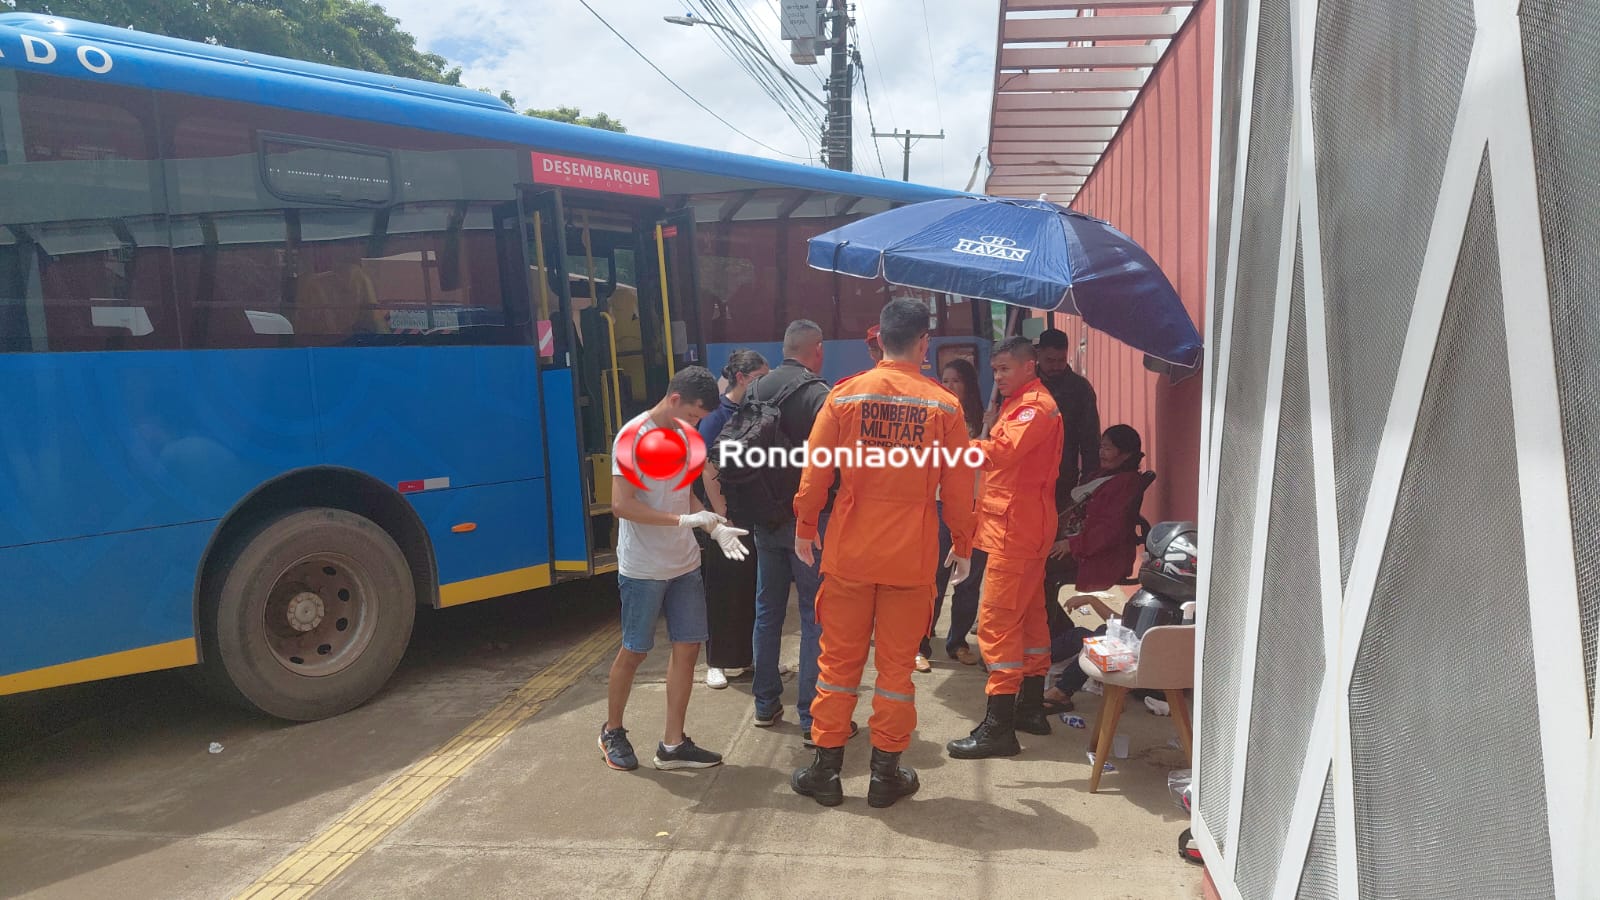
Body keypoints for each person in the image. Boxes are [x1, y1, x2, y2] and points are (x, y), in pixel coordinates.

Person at [790, 298, 976, 808]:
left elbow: (816, 470)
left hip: (849, 552)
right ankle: (884, 775)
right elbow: (959, 488)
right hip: (910, 559)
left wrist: (805, 525)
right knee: (896, 673)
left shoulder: (846, 395)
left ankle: (825, 772)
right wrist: (962, 543)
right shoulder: (944, 406)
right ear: (924, 342)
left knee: (837, 666)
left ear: (880, 341)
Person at [599, 366, 751, 772]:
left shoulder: (686, 437)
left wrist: (713, 526)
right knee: (635, 649)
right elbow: (622, 505)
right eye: (693, 415)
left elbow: (685, 495)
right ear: (675, 399)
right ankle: (612, 730)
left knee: (688, 648)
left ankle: (673, 743)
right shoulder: (632, 437)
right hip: (644, 566)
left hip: (684, 563)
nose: (695, 424)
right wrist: (683, 521)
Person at [947, 337, 1064, 759]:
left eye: (1005, 368)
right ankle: (1029, 708)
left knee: (996, 625)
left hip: (1015, 530)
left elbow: (1000, 453)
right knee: (1030, 620)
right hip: (1020, 527)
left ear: (1029, 366)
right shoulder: (1022, 404)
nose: (997, 376)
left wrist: (955, 446)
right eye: (995, 369)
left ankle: (998, 728)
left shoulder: (1034, 407)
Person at [745, 320, 836, 741]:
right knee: (813, 616)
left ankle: (765, 705)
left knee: (768, 612)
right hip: (808, 524)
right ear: (816, 349)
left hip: (764, 517)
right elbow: (831, 462)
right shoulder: (819, 394)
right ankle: (810, 715)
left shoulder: (754, 390)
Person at [1042, 425, 1147, 711]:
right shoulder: (1103, 475)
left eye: (1108, 448)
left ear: (1125, 453)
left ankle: (1052, 651)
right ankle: (1054, 646)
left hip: (1098, 554)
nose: (1102, 452)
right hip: (1081, 545)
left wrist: (1071, 545)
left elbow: (1108, 530)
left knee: (1043, 576)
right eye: (1101, 446)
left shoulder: (1125, 483)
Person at [697, 349, 769, 689]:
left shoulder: (755, 412)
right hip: (724, 516)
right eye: (759, 378)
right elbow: (706, 465)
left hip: (749, 511)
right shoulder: (717, 415)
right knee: (722, 589)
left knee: (748, 588)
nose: (764, 385)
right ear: (741, 378)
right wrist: (721, 515)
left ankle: (746, 656)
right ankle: (716, 662)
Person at [917, 357, 986, 671]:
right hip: (940, 505)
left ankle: (958, 642)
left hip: (975, 508)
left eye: (955, 380)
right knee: (934, 578)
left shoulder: (986, 421)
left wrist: (989, 433)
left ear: (968, 385)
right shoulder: (934, 416)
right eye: (944, 380)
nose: (949, 386)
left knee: (969, 581)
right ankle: (920, 642)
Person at [1036, 328, 1100, 512]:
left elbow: (1090, 440)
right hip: (1027, 478)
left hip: (1064, 478)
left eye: (1061, 360)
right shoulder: (1024, 384)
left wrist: (1088, 482)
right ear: (1038, 354)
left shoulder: (1079, 389)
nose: (1056, 366)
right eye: (1050, 360)